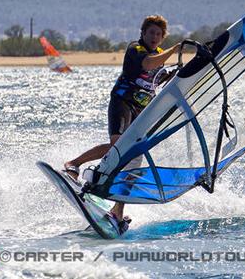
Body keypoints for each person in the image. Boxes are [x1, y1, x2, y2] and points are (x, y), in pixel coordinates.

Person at [64, 14, 181, 230]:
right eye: (151, 32)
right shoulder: (136, 49)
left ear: (162, 37)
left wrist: (175, 74)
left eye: (159, 34)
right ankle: (74, 164)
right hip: (122, 103)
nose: (154, 37)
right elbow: (147, 65)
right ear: (143, 33)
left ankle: (118, 210)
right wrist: (174, 50)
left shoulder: (158, 56)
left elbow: (157, 78)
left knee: (134, 161)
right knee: (117, 146)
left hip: (140, 110)